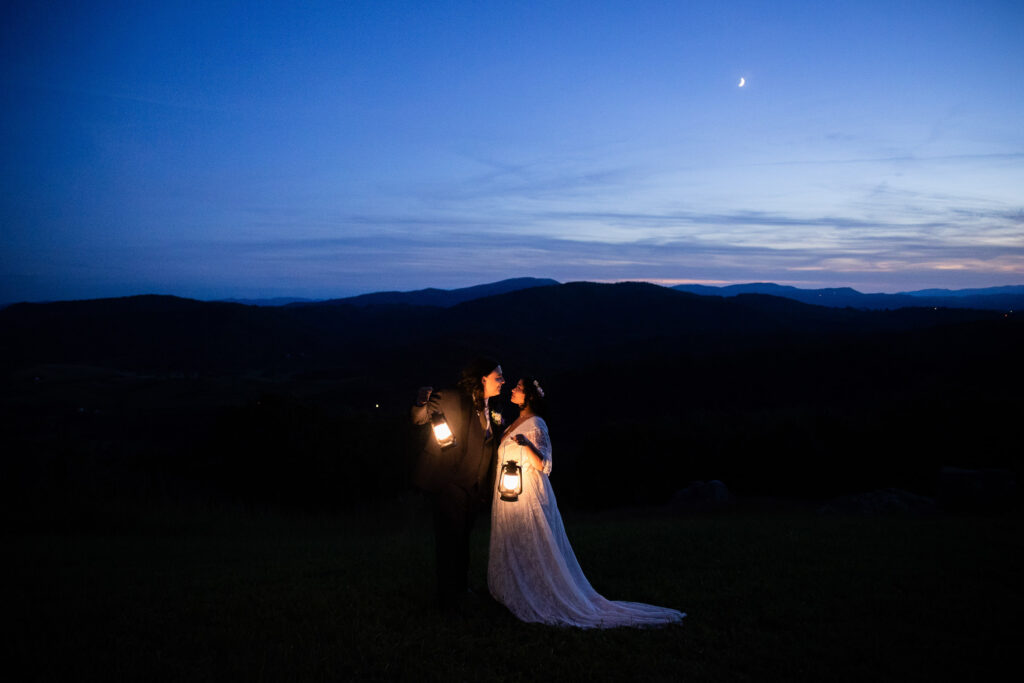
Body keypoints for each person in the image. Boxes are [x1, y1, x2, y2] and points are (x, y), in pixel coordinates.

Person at [488, 377, 685, 628]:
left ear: (529, 397)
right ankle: (515, 590)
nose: (513, 390)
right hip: (509, 493)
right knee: (516, 543)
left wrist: (527, 446)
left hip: (529, 496)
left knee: (534, 543)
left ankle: (539, 593)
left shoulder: (536, 424)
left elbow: (545, 465)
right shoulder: (514, 421)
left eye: (518, 388)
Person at [411, 357, 506, 607]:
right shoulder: (452, 397)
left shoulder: (491, 409)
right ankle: (447, 597)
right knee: (449, 540)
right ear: (483, 379)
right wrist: (421, 401)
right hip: (448, 481)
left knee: (463, 538)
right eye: (499, 377)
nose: (503, 381)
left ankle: (461, 588)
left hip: (473, 489)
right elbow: (420, 417)